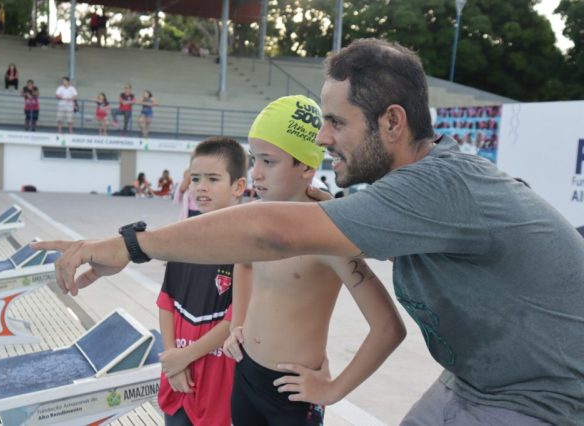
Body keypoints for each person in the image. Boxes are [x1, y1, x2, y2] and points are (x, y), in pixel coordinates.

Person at [36, 38, 584, 426]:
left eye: (336, 122)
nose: (321, 138)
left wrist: (129, 245)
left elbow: (272, 233)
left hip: (544, 399)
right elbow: (271, 241)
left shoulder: (440, 186)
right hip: (474, 382)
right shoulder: (413, 193)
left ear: (393, 122)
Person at [221, 95, 405, 425]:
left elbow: (388, 328)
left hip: (293, 395)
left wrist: (333, 390)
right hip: (246, 373)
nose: (255, 173)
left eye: (268, 161)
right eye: (253, 160)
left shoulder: (328, 238)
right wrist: (238, 323)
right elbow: (244, 262)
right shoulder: (258, 220)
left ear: (306, 165)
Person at [158, 136, 247, 426]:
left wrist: (183, 357)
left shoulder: (246, 248)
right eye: (195, 178)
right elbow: (166, 303)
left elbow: (234, 320)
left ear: (238, 186)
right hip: (177, 378)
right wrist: (173, 361)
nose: (201, 187)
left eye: (212, 178)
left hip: (217, 384)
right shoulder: (180, 239)